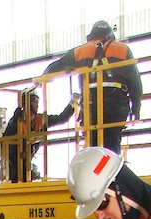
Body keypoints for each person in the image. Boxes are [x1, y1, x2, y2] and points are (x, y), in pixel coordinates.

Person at [43, 20, 142, 154]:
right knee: (111, 147)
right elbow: (135, 82)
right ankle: (110, 170)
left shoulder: (80, 51)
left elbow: (55, 66)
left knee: (92, 147)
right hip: (116, 104)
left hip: (90, 105)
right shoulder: (122, 49)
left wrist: (43, 78)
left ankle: (95, 170)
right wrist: (135, 108)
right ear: (110, 35)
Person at [2, 88, 75, 219]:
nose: (36, 103)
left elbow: (61, 119)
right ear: (24, 104)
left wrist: (73, 104)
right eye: (33, 101)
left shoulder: (40, 121)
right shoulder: (16, 122)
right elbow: (7, 143)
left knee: (31, 207)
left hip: (27, 168)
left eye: (36, 101)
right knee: (16, 213)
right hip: (14, 170)